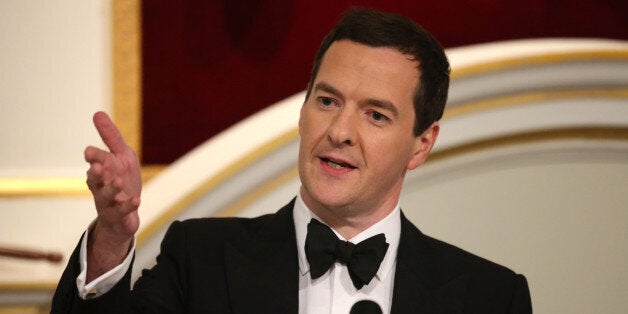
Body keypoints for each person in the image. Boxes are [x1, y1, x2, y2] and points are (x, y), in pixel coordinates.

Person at [52, 8, 532, 314]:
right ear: (302, 112)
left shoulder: (487, 298)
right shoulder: (200, 260)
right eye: (327, 101)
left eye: (375, 115)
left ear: (421, 144)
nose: (340, 132)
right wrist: (113, 238)